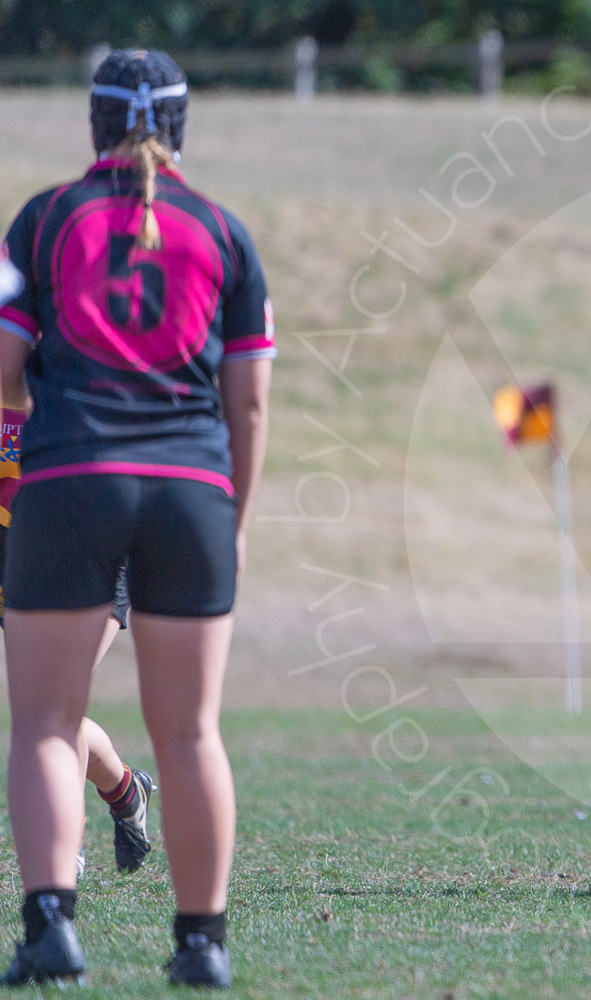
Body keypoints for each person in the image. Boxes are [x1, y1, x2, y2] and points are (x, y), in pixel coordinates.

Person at [0, 48, 274, 986]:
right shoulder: (226, 234)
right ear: (181, 129)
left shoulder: (43, 221)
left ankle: (51, 931)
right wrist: (229, 516)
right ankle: (201, 945)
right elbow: (250, 405)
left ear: (94, 125)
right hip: (192, 488)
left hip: (71, 480)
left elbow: (2, 367)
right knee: (192, 732)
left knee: (42, 719)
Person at [0, 405, 157, 881]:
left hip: (93, 552)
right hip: (14, 549)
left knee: (51, 707)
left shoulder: (77, 370)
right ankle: (127, 791)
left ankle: (62, 845)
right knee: (43, 711)